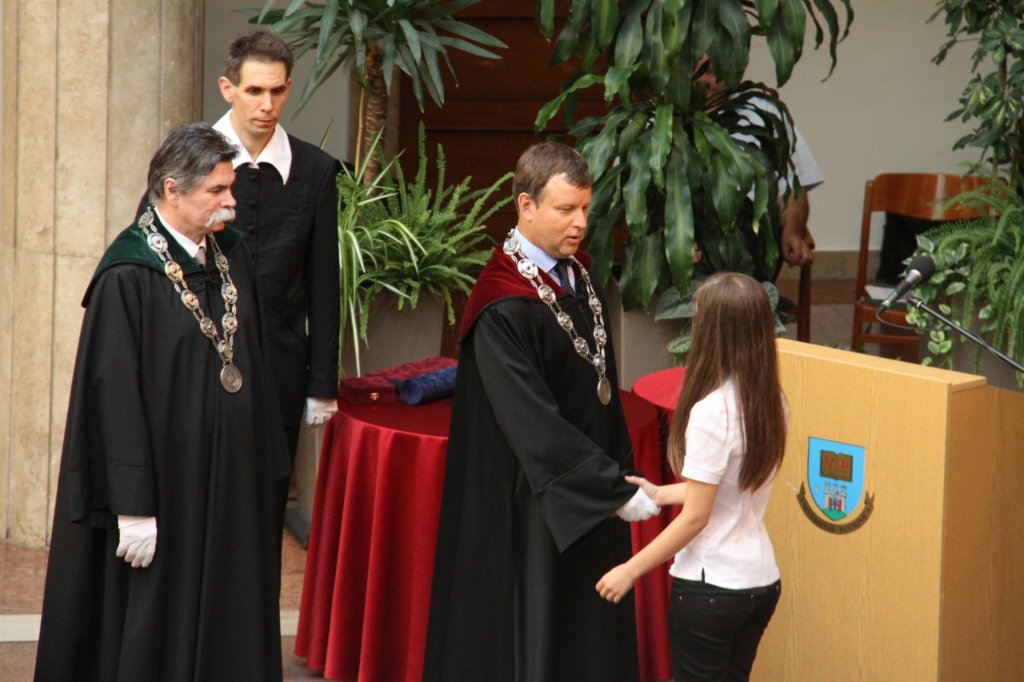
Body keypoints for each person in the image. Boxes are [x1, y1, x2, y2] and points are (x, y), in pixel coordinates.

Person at [35, 123, 290, 681]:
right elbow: (113, 396)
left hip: (229, 484)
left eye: (229, 187)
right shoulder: (128, 275)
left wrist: (265, 463)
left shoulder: (230, 254)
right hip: (166, 492)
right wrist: (133, 507)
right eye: (217, 191)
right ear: (172, 190)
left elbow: (255, 357)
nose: (231, 202)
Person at [423, 142, 658, 682]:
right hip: (532, 499)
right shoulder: (502, 304)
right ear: (526, 206)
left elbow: (599, 380)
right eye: (565, 210)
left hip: (587, 481)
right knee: (543, 631)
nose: (581, 224)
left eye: (586, 209)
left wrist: (616, 474)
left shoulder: (578, 274)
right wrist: (606, 487)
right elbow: (532, 422)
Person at [596, 272, 788, 681]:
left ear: (715, 332)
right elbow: (730, 486)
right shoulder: (772, 401)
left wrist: (630, 570)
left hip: (712, 586)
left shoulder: (712, 411)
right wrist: (659, 493)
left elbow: (696, 518)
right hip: (761, 580)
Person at [214, 30, 342, 530]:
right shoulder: (187, 161)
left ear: (288, 88)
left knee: (265, 510)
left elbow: (323, 281)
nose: (267, 105)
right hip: (201, 364)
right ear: (228, 88)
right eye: (254, 91)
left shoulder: (316, 170)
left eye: (276, 91)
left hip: (280, 370)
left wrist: (322, 383)